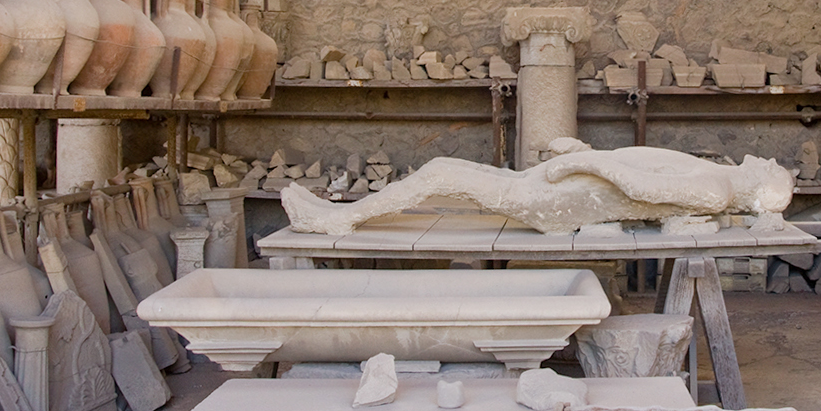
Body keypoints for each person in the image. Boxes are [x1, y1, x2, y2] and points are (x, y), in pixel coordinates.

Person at [282, 139, 793, 236]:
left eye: (772, 170)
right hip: (569, 185)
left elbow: (637, 185)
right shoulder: (717, 180)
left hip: (558, 202)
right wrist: (584, 152)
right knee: (442, 166)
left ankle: (334, 220)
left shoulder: (713, 191)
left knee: (441, 176)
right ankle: (338, 217)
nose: (766, 159)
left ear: (761, 188)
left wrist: (587, 162)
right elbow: (640, 171)